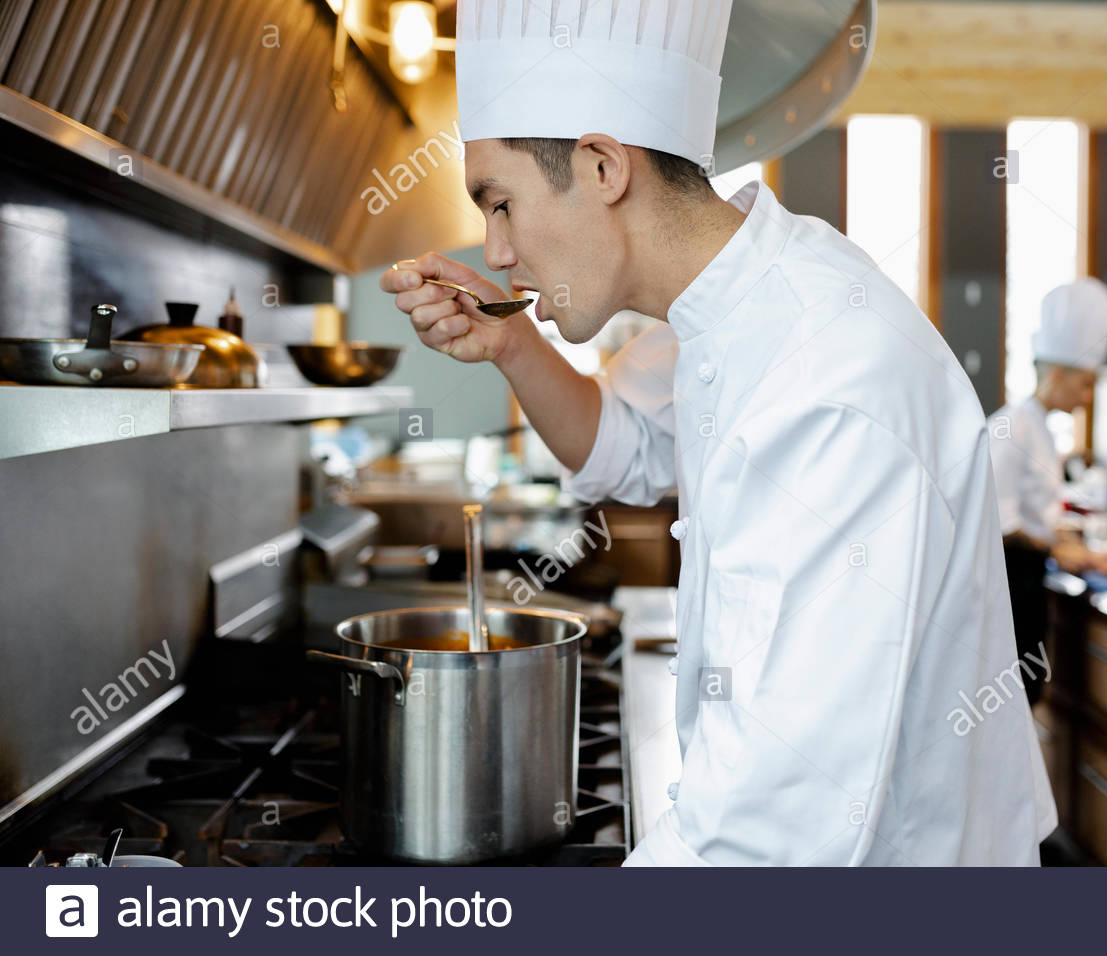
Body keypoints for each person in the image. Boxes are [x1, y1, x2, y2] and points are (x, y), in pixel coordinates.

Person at [382, 0, 1055, 865]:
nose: (496, 252)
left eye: (501, 203)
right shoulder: (733, 304)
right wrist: (512, 342)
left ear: (600, 167)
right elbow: (618, 443)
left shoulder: (828, 381)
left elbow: (774, 831)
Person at [988, 278, 1107, 707]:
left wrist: (1064, 540)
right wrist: (1055, 548)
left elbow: (1039, 512)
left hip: (1029, 579)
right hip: (1010, 584)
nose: (1087, 398)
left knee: (1030, 692)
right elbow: (998, 522)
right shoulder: (1011, 426)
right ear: (1059, 373)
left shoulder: (1041, 428)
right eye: (1085, 384)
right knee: (1014, 698)